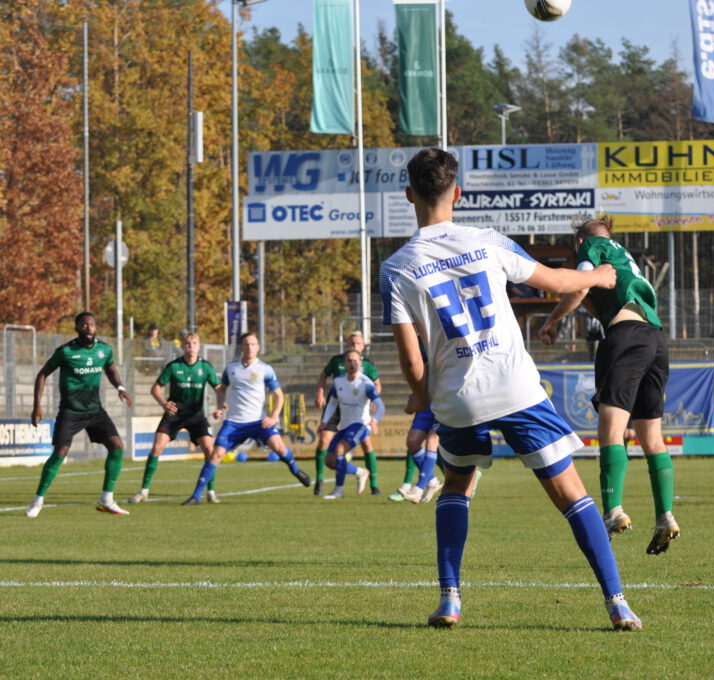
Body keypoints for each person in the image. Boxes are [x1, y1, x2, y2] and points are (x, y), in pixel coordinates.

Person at [380, 147, 641, 631]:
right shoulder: (488, 240)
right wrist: (600, 275)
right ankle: (618, 602)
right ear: (457, 193)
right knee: (571, 493)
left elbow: (411, 359)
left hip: (457, 397)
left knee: (456, 486)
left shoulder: (396, 268)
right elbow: (557, 282)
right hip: (517, 387)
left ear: (409, 195)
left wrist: (426, 401)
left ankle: (450, 599)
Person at [538, 213, 679, 556]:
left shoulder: (594, 249)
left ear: (580, 242)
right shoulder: (626, 258)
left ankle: (613, 510)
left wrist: (552, 319)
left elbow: (582, 284)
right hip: (656, 340)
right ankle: (665, 516)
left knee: (610, 429)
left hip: (625, 336)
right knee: (652, 439)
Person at [25, 311, 134, 518]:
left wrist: (120, 386)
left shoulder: (104, 350)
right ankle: (37, 501)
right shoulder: (66, 351)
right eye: (84, 325)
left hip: (95, 411)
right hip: (70, 412)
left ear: (96, 328)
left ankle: (106, 500)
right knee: (59, 454)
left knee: (117, 448)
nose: (88, 328)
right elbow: (42, 374)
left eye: (92, 325)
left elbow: (110, 369)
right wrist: (36, 405)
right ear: (77, 328)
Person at [181, 332, 310, 505]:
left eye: (253, 344)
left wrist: (273, 417)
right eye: (246, 344)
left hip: (258, 422)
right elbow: (221, 389)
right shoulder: (231, 368)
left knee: (279, 448)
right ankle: (196, 496)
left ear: (258, 347)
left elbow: (279, 396)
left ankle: (294, 468)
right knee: (215, 455)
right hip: (234, 423)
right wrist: (220, 407)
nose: (249, 347)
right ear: (241, 347)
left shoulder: (265, 369)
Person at [128, 332, 223, 504]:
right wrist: (164, 403)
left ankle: (211, 492)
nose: (191, 346)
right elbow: (155, 388)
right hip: (174, 414)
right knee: (157, 448)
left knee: (210, 450)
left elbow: (218, 388)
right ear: (182, 346)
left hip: (196, 416)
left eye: (194, 343)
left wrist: (220, 406)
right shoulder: (173, 366)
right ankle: (143, 491)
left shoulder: (206, 367)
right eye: (187, 343)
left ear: (199, 346)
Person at [313, 332, 382, 495]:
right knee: (324, 440)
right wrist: (320, 393)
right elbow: (324, 375)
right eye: (351, 343)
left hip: (357, 409)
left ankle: (374, 484)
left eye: (358, 343)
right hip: (336, 405)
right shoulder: (337, 360)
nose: (354, 346)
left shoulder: (368, 365)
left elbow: (377, 384)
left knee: (366, 444)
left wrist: (373, 399)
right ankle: (319, 480)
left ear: (363, 346)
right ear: (346, 344)